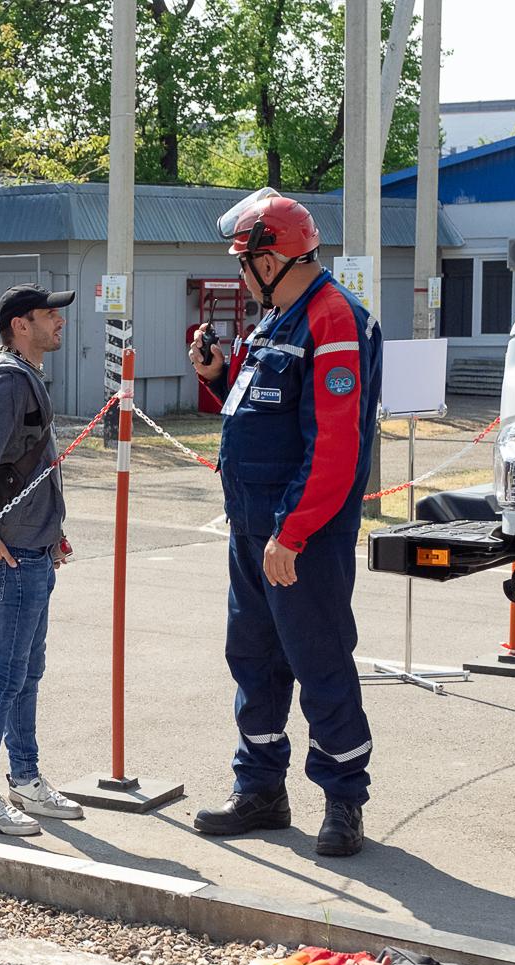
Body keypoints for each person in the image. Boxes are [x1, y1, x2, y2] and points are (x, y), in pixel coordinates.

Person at [188, 191, 383, 857]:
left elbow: (335, 444)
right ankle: (261, 789)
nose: (241, 273)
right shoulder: (274, 320)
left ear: (271, 258)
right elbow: (257, 411)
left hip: (300, 537)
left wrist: (292, 532)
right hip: (253, 528)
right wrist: (218, 376)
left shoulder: (333, 318)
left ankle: (343, 801)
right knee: (254, 659)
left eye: (244, 260)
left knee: (319, 660)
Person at [0, 283, 84, 837]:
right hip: (13, 552)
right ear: (20, 325)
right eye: (51, 314)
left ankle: (23, 778)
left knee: (27, 671)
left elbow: (29, 467)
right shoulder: (6, 383)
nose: (60, 322)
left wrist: (52, 531)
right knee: (5, 675)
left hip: (33, 544)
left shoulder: (19, 376)